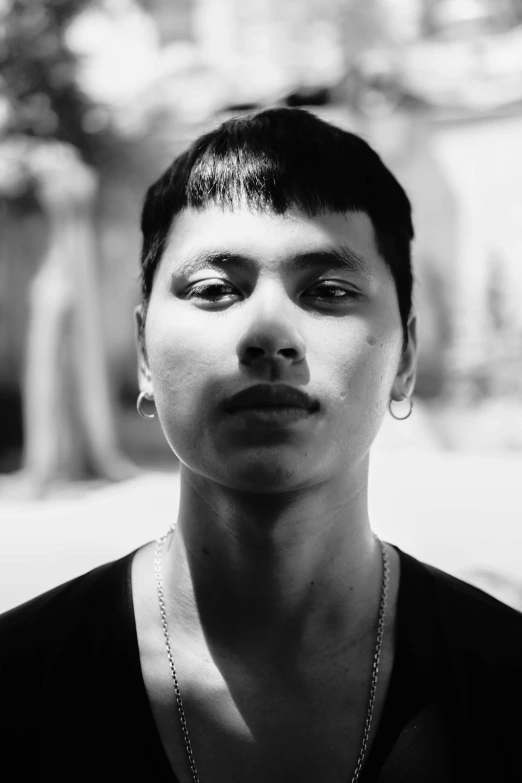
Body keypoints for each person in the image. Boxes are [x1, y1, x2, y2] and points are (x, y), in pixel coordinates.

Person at [1, 107, 521, 782]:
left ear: (406, 358)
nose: (268, 331)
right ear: (143, 355)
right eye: (215, 289)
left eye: (329, 291)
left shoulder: (504, 683)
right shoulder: (18, 685)